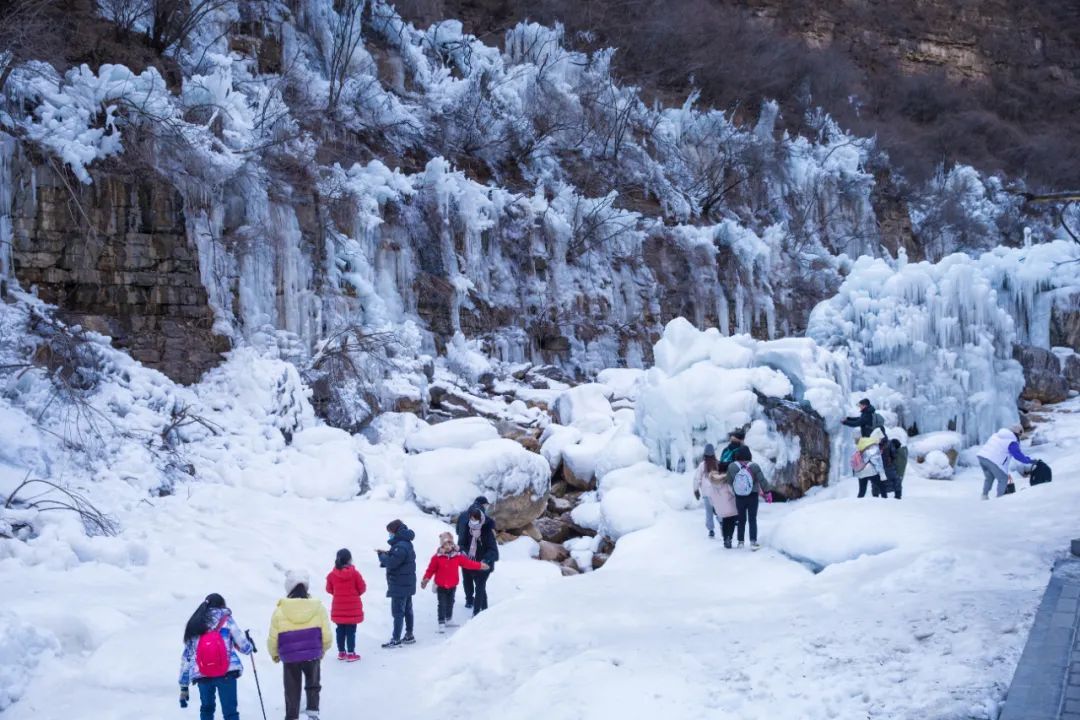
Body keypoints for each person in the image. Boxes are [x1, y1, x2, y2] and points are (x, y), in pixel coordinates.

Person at [268, 571, 332, 720]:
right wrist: (323, 649)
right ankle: (313, 713)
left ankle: (292, 716)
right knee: (313, 684)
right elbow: (327, 635)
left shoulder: (280, 610)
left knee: (292, 688)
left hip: (290, 657)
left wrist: (275, 654)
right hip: (312, 654)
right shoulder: (318, 607)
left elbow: (273, 638)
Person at [178, 593, 254, 720]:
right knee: (230, 712)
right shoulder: (226, 620)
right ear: (221, 605)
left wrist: (184, 686)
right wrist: (250, 646)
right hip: (226, 673)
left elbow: (187, 657)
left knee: (206, 710)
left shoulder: (195, 624)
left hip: (202, 674)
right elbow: (243, 646)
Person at [420, 532, 490, 632]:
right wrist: (426, 579)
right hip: (441, 585)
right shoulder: (437, 557)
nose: (448, 546)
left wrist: (480, 565)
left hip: (452, 585)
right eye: (445, 544)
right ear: (441, 545)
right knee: (442, 604)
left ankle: (448, 619)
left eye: (450, 544)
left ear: (453, 544)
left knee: (451, 602)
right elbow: (430, 570)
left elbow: (468, 563)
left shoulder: (457, 556)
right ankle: (441, 622)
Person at [377, 519, 417, 648]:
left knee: (398, 612)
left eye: (390, 532)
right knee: (408, 610)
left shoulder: (400, 546)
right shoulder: (406, 543)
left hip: (399, 584)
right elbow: (399, 559)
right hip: (407, 583)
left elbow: (392, 563)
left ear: (394, 531)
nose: (389, 535)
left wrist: (382, 556)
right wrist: (389, 553)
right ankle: (409, 635)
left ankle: (396, 638)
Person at [325, 548, 366, 662]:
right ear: (349, 559)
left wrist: (338, 594)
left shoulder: (332, 575)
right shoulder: (355, 574)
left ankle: (341, 652)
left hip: (338, 607)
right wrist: (354, 594)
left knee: (340, 630)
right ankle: (351, 653)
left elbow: (328, 589)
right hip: (353, 608)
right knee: (351, 631)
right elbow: (362, 588)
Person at [456, 496, 497, 612]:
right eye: (486, 505)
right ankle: (481, 608)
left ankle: (469, 600)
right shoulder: (483, 517)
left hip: (463, 549)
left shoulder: (463, 515)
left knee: (466, 576)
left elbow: (458, 531)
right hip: (477, 553)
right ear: (483, 505)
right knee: (479, 582)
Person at [726, 445, 771, 550]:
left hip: (739, 497)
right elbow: (762, 480)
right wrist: (767, 492)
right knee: (752, 519)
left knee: (741, 519)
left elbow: (729, 481)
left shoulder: (732, 466)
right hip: (753, 496)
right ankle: (753, 542)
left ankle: (740, 542)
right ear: (749, 455)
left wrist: (736, 489)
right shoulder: (754, 466)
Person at [977, 426, 1037, 499]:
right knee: (1003, 479)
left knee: (989, 477)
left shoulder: (997, 435)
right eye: (1020, 435)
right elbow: (1018, 456)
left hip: (982, 457)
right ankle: (1000, 499)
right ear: (1018, 433)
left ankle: (984, 495)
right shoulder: (1012, 441)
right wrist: (1029, 460)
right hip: (992, 460)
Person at [693, 444, 734, 540]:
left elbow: (696, 479)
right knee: (719, 510)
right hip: (716, 492)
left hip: (706, 493)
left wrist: (696, 490)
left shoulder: (702, 465)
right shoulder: (718, 463)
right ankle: (721, 523)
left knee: (709, 512)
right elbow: (723, 477)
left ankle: (711, 530)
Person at [854, 433, 889, 498]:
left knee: (862, 491)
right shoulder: (874, 446)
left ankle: (857, 505)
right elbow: (875, 461)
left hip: (861, 470)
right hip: (870, 470)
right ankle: (886, 502)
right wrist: (881, 473)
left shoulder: (863, 443)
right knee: (882, 486)